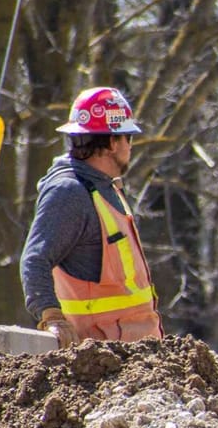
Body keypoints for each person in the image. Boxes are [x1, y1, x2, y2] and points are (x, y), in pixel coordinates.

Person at [20, 86, 162, 345]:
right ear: (112, 142)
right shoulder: (70, 192)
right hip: (101, 360)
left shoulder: (106, 187)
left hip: (132, 354)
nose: (130, 147)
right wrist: (51, 316)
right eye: (128, 138)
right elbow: (35, 259)